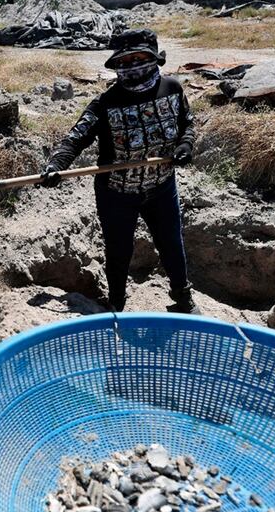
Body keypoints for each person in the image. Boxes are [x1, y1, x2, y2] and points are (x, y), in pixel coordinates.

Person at [39, 29, 198, 314]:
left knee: (171, 242)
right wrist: (57, 165)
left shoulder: (173, 89)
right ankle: (116, 303)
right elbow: (77, 137)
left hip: (162, 187)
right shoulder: (105, 103)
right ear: (116, 65)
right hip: (116, 193)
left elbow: (187, 123)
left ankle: (183, 297)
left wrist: (185, 146)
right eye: (125, 60)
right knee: (118, 250)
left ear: (153, 59)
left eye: (139, 58)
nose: (132, 66)